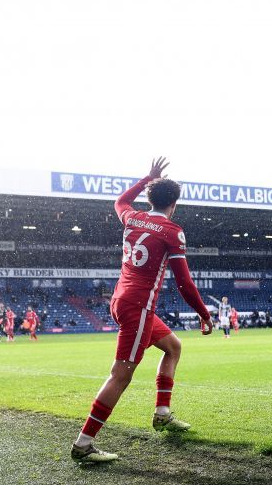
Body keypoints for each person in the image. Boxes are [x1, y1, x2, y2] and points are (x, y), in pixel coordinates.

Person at [71, 158, 213, 463]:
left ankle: (162, 412)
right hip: (138, 306)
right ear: (174, 203)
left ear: (149, 198)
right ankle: (83, 443)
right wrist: (204, 312)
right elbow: (185, 283)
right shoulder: (172, 231)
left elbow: (120, 200)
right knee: (120, 375)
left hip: (122, 299)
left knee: (173, 347)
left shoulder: (132, 218)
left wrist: (146, 177)